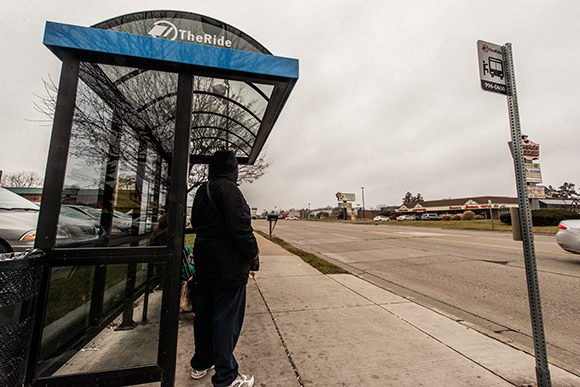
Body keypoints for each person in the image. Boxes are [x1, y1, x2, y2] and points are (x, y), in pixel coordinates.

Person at [189, 150, 259, 387]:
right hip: (228, 270)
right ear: (232, 168)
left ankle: (201, 363)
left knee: (204, 318)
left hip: (204, 265)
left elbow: (195, 223)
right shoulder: (230, 190)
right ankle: (227, 377)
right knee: (225, 322)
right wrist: (253, 254)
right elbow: (242, 228)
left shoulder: (202, 190)